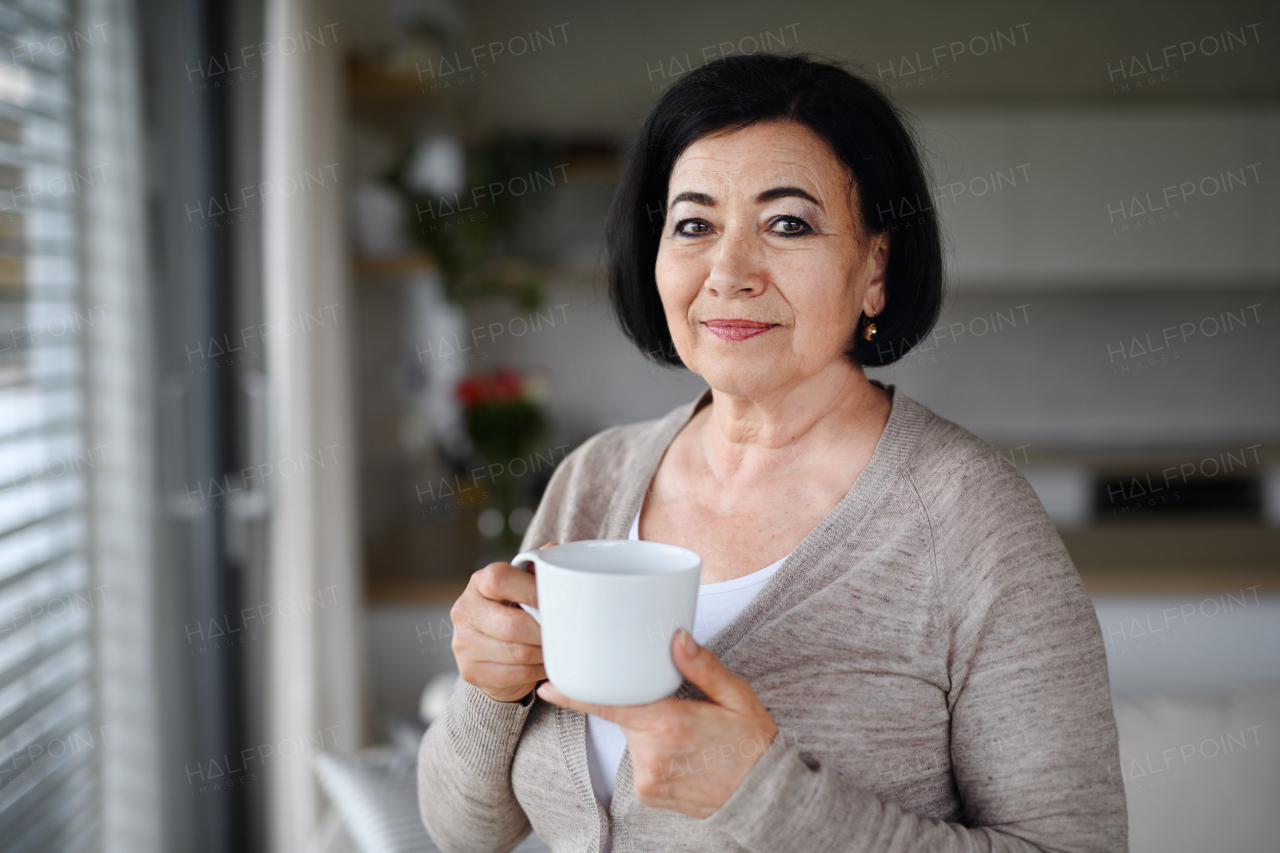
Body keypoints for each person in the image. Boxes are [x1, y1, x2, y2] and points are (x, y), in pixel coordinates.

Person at [419, 53, 1126, 853]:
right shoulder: (597, 477)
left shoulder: (971, 520)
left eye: (788, 223)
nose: (729, 270)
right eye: (694, 224)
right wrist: (489, 689)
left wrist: (769, 799)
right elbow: (461, 832)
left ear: (875, 268)